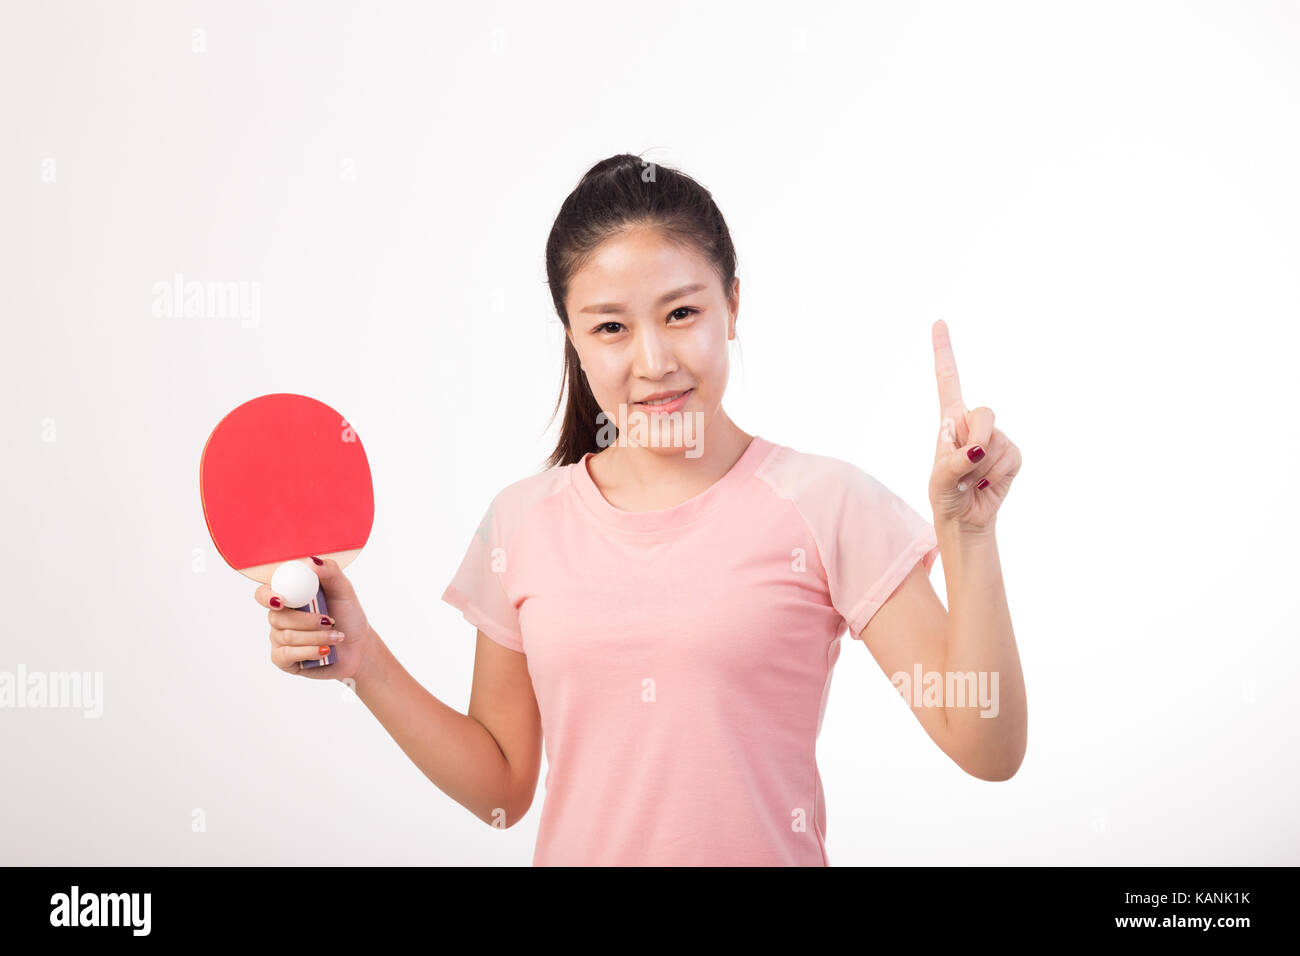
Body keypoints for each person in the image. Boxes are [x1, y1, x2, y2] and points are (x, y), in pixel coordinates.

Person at [255, 153, 1027, 866]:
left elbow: (987, 748)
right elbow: (502, 790)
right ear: (575, 341)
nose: (654, 361)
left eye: (682, 313)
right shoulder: (521, 522)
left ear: (732, 305)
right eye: (612, 327)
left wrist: (968, 536)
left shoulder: (825, 503)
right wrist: (364, 663)